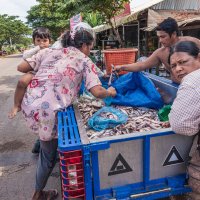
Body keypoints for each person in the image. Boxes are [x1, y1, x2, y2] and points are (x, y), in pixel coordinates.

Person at [16, 22, 116, 200]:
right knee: (49, 155)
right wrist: (110, 91)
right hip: (50, 112)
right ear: (84, 45)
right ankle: (39, 194)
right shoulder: (84, 60)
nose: (89, 51)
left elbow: (21, 67)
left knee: (50, 150)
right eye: (90, 47)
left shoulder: (49, 51)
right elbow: (97, 92)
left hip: (31, 105)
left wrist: (44, 71)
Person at [114, 17, 200, 83]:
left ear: (173, 34)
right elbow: (142, 65)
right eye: (159, 37)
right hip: (179, 86)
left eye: (163, 37)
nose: (160, 40)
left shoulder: (193, 42)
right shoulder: (160, 53)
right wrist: (122, 67)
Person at [8, 27, 52, 154]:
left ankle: (42, 141)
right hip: (34, 72)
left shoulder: (52, 50)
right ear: (34, 41)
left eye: (45, 40)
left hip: (48, 74)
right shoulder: (33, 51)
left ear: (49, 41)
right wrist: (38, 49)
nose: (42, 43)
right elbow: (25, 57)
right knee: (22, 81)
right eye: (38, 40)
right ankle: (16, 105)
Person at [168, 41, 200, 200]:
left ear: (198, 58)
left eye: (183, 62)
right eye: (173, 66)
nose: (178, 69)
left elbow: (180, 125)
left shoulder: (193, 80)